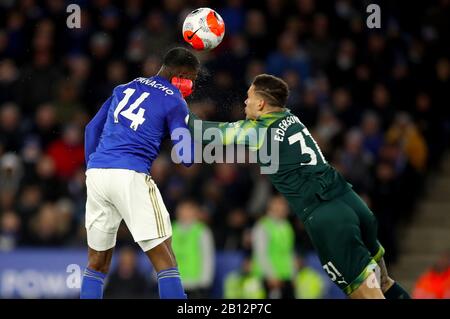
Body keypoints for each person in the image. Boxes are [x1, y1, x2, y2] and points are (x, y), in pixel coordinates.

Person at [187, 74, 410, 299]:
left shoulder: (259, 131)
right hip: (351, 201)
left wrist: (174, 104)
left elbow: (201, 132)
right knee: (385, 282)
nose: (245, 102)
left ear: (262, 103)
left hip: (327, 216)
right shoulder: (291, 118)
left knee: (367, 295)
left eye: (249, 97)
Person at [81, 47, 199, 299]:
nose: (191, 85)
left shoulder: (123, 88)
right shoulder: (175, 100)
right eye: (192, 79)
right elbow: (186, 158)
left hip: (97, 174)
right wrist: (188, 126)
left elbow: (91, 129)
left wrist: (92, 167)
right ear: (181, 74)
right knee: (165, 260)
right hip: (131, 175)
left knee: (97, 263)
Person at [251, 195, 296, 299]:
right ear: (270, 207)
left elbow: (289, 252)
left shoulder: (287, 226)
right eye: (279, 205)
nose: (283, 208)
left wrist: (293, 274)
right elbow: (261, 253)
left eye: (284, 205)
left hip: (286, 275)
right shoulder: (262, 226)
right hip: (269, 278)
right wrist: (271, 275)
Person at [171, 200, 215, 298]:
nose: (184, 213)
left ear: (195, 212)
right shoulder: (171, 229)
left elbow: (207, 256)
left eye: (188, 210)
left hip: (195, 283)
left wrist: (205, 280)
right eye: (182, 210)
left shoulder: (202, 230)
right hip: (174, 281)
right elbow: (163, 254)